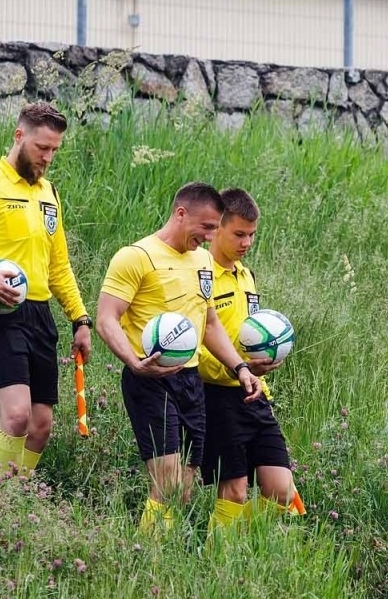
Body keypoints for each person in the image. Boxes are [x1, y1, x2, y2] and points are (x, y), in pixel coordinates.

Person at [95, 182, 262, 535]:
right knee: (167, 484)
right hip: (150, 379)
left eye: (215, 229)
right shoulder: (136, 256)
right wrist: (134, 362)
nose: (210, 236)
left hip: (191, 381)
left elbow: (209, 322)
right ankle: (147, 557)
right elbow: (106, 318)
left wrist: (240, 366)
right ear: (181, 214)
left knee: (183, 491)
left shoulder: (202, 261)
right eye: (206, 227)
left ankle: (161, 551)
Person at [0, 101, 93, 475]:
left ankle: (16, 492)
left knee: (41, 426)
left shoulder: (49, 193)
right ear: (19, 135)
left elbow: (59, 266)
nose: (48, 157)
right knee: (18, 415)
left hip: (39, 316)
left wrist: (80, 319)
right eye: (42, 147)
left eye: (55, 150)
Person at [196, 188, 303, 534]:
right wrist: (236, 368)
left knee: (282, 492)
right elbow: (197, 341)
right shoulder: (199, 274)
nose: (247, 243)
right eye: (239, 234)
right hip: (217, 394)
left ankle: (231, 539)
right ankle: (217, 553)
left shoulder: (246, 276)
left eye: (252, 235)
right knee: (235, 491)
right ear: (217, 228)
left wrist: (265, 361)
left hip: (256, 393)